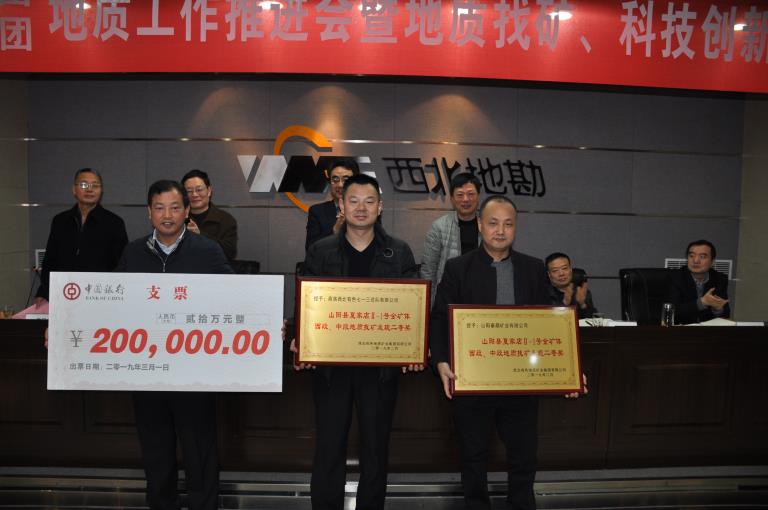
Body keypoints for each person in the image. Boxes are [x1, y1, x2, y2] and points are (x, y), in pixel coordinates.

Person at [429, 196, 583, 510]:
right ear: (480, 225)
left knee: (524, 456)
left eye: (508, 224)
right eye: (493, 223)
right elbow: (439, 318)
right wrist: (441, 361)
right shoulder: (458, 268)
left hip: (520, 381)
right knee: (473, 455)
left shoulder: (533, 268)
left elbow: (549, 322)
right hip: (472, 381)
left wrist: (570, 368)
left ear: (516, 227)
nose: (501, 230)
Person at [294, 173, 420, 510]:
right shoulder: (320, 250)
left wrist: (415, 344)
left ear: (380, 207)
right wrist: (300, 339)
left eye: (369, 201)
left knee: (375, 449)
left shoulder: (399, 252)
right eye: (353, 201)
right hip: (331, 368)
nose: (361, 208)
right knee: (329, 446)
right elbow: (307, 301)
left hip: (379, 369)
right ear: (341, 205)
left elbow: (412, 306)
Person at [116, 180, 233, 510]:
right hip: (147, 371)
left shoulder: (207, 251)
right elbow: (110, 302)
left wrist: (265, 323)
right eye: (159, 208)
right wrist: (66, 325)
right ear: (149, 212)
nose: (167, 215)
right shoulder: (133, 252)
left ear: (187, 211)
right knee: (155, 451)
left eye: (174, 207)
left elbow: (236, 298)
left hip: (194, 373)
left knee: (200, 452)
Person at [35, 168, 128, 304]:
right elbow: (50, 260)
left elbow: (121, 264)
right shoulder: (60, 221)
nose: (89, 189)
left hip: (99, 296)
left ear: (101, 191)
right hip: (64, 293)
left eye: (95, 185)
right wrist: (43, 291)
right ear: (74, 190)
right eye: (84, 185)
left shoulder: (114, 223)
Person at [420, 173, 482, 304]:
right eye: (460, 195)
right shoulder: (439, 227)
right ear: (452, 199)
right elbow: (428, 270)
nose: (466, 199)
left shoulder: (489, 226)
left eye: (471, 194)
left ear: (478, 197)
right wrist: (430, 305)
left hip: (480, 295)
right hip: (448, 296)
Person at [666, 239, 729, 324]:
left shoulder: (720, 279)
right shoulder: (675, 277)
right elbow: (671, 312)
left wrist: (718, 309)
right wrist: (702, 302)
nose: (695, 261)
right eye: (691, 256)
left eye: (702, 257)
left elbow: (725, 314)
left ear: (712, 262)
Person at [181, 169, 238, 260]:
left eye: (199, 189)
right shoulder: (178, 218)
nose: (194, 194)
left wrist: (200, 235)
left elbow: (229, 253)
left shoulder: (225, 219)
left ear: (209, 191)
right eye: (189, 191)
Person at [305, 158, 360, 251]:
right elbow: (311, 249)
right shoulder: (317, 211)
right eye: (335, 180)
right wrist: (334, 231)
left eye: (346, 179)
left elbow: (378, 245)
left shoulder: (367, 210)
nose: (340, 185)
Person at [544, 252, 598, 319]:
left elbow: (595, 320)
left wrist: (583, 305)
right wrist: (565, 303)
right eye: (555, 270)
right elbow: (547, 321)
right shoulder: (543, 294)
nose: (561, 273)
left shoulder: (580, 292)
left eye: (564, 268)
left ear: (570, 270)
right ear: (549, 275)